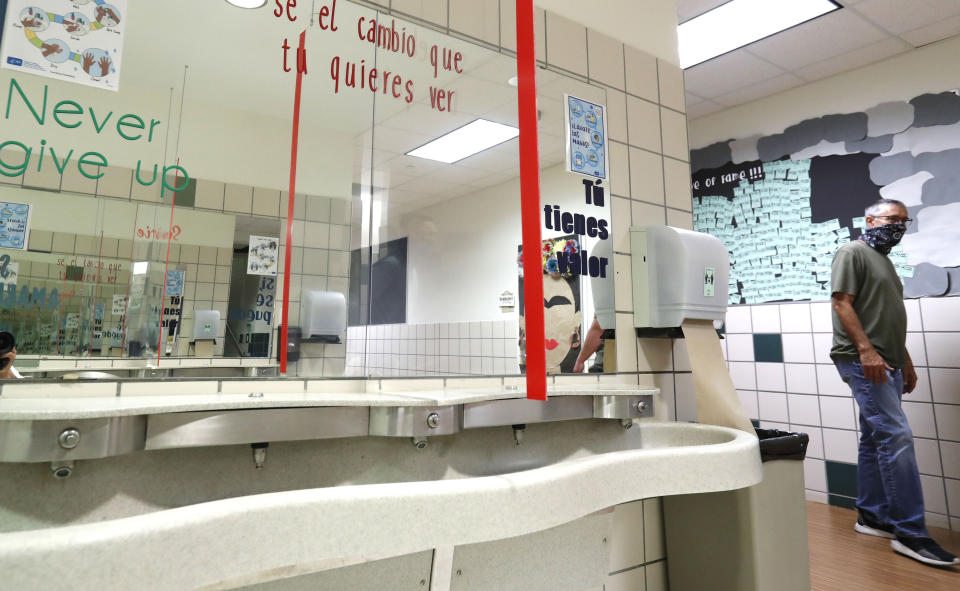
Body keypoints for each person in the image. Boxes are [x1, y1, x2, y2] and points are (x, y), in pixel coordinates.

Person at [831, 198, 958, 567]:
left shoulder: (884, 261)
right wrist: (867, 352)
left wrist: (904, 359)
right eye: (891, 219)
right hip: (862, 359)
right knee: (895, 435)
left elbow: (885, 315)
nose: (898, 226)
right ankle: (910, 532)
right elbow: (842, 303)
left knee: (875, 436)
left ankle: (872, 515)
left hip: (886, 359)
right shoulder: (851, 251)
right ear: (869, 219)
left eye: (904, 220)